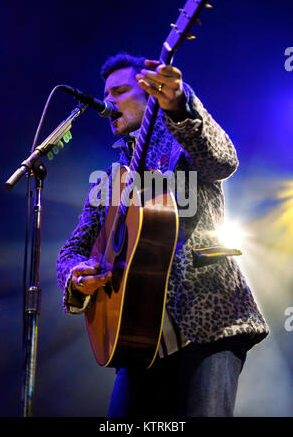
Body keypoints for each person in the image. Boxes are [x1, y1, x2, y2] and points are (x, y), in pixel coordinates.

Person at [56, 52, 269, 417]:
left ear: (151, 93)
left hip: (208, 327)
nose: (108, 101)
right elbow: (72, 249)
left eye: (120, 90)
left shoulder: (181, 141)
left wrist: (180, 104)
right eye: (105, 93)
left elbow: (223, 160)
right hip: (138, 343)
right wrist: (77, 274)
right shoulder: (107, 180)